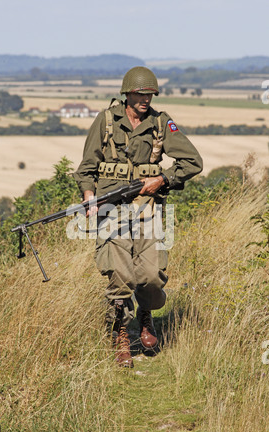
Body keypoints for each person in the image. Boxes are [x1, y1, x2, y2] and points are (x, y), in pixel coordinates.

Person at [74, 66, 203, 368]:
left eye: (150, 94)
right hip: (111, 209)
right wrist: (89, 197)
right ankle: (121, 334)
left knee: (150, 277)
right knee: (120, 276)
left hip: (148, 208)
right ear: (128, 93)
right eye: (141, 94)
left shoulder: (160, 123)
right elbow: (86, 167)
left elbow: (192, 161)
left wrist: (164, 180)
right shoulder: (105, 121)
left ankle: (146, 314)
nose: (146, 99)